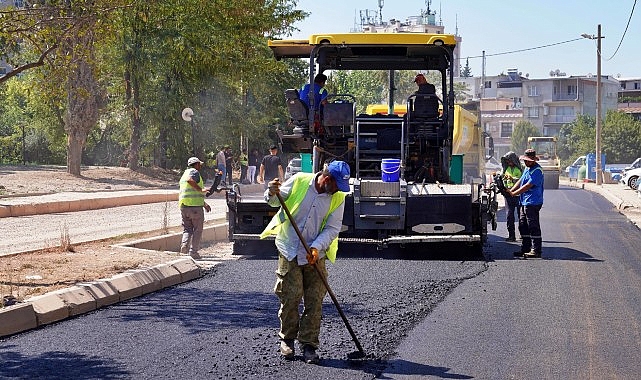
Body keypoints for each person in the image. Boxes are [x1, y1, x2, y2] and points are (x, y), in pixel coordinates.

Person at [260, 160, 351, 364]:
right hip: (290, 248)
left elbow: (332, 228)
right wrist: (272, 192)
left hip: (314, 254)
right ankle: (288, 340)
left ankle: (309, 344)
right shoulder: (300, 181)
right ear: (326, 179)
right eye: (337, 185)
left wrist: (316, 248)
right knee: (291, 295)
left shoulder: (337, 198)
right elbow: (275, 202)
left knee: (315, 298)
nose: (339, 190)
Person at [507, 149, 544, 259]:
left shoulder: (537, 170)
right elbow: (520, 181)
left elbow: (527, 185)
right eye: (525, 161)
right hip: (524, 201)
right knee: (523, 224)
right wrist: (511, 191)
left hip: (533, 202)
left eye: (528, 161)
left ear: (533, 160)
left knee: (533, 225)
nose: (526, 163)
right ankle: (525, 247)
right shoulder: (528, 169)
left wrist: (514, 193)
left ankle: (536, 250)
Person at [178, 156, 211, 260]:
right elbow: (190, 181)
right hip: (195, 208)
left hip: (184, 206)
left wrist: (204, 204)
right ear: (196, 164)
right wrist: (201, 190)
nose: (200, 166)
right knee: (197, 230)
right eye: (199, 164)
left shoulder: (184, 174)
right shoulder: (194, 172)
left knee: (187, 229)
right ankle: (193, 252)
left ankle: (184, 247)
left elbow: (191, 192)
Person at [501, 151, 523, 242]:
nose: (509, 163)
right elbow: (503, 179)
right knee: (509, 215)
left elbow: (522, 180)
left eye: (510, 161)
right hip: (508, 195)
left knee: (521, 216)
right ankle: (511, 235)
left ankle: (523, 234)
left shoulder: (521, 169)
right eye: (507, 161)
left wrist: (512, 179)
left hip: (518, 195)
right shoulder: (506, 169)